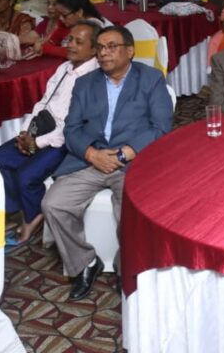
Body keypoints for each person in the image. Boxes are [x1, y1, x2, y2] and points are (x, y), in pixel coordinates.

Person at [42, 25, 173, 300]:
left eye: (112, 46)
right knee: (53, 204)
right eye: (100, 48)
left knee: (131, 211)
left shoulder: (150, 79)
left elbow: (161, 127)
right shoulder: (85, 83)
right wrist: (92, 155)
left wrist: (125, 154)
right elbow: (72, 129)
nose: (103, 53)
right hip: (90, 160)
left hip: (132, 162)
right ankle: (85, 263)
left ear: (130, 51)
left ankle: (127, 265)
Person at [0, 21, 99, 248]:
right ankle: (20, 208)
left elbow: (72, 127)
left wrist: (37, 143)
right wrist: (26, 131)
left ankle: (33, 216)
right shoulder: (64, 68)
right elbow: (43, 103)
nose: (70, 45)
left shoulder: (93, 80)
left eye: (79, 42)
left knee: (26, 176)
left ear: (94, 50)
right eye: (70, 39)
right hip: (42, 128)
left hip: (64, 140)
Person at [41, 0, 108, 59]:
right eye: (59, 14)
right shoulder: (69, 23)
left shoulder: (93, 26)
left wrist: (46, 48)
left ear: (79, 12)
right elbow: (53, 41)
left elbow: (76, 52)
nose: (60, 18)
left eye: (64, 15)